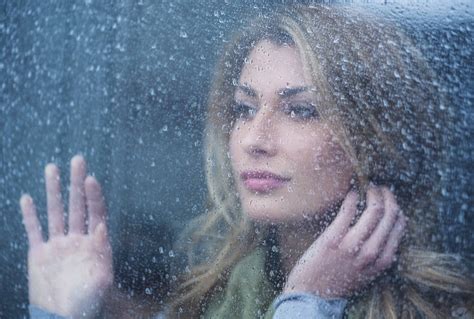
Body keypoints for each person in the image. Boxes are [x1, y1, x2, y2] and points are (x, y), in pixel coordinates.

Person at [21, 4, 473, 319]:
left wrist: (311, 303)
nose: (254, 139)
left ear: (373, 138)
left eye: (301, 110)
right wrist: (62, 311)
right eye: (243, 108)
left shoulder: (442, 310)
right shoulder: (207, 299)